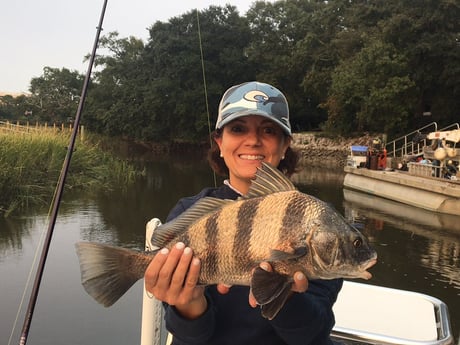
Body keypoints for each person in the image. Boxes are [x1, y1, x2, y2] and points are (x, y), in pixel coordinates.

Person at [144, 81, 343, 345]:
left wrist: (287, 297)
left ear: (285, 145)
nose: (252, 140)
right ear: (219, 142)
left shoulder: (314, 221)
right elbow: (191, 337)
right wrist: (189, 304)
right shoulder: (189, 212)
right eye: (238, 129)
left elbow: (312, 334)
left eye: (269, 130)